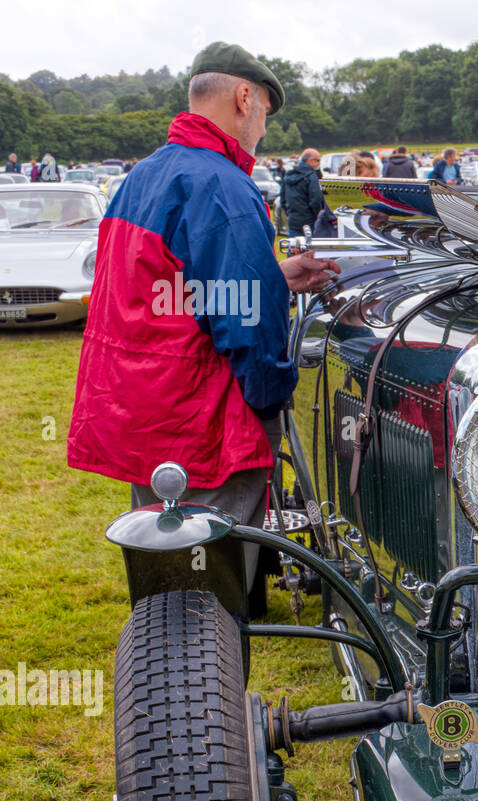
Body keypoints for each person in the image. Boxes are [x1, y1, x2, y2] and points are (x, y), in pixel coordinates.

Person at [66, 42, 339, 593]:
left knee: (165, 569)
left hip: (147, 415)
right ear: (244, 98)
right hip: (205, 423)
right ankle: (208, 678)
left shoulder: (143, 176)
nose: (261, 132)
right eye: (263, 112)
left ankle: (172, 673)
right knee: (214, 591)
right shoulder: (220, 183)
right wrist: (272, 396)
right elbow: (244, 323)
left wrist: (273, 275)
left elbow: (170, 285)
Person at [283, 148, 324, 237]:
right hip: (310, 222)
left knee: (295, 248)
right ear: (311, 161)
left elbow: (283, 200)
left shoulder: (289, 175)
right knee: (311, 250)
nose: (319, 163)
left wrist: (290, 213)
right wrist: (319, 216)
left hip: (293, 221)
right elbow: (316, 199)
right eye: (318, 160)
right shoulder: (311, 176)